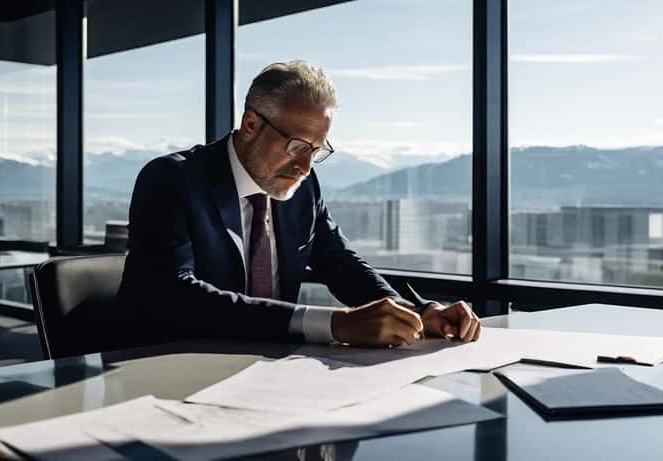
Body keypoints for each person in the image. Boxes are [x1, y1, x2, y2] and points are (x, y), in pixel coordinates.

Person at [118, 60, 480, 348]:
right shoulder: (172, 180)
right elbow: (175, 295)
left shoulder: (302, 189)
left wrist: (416, 312)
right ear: (250, 124)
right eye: (296, 146)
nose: (305, 166)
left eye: (316, 150)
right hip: (166, 371)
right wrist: (333, 324)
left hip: (268, 375)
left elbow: (341, 263)